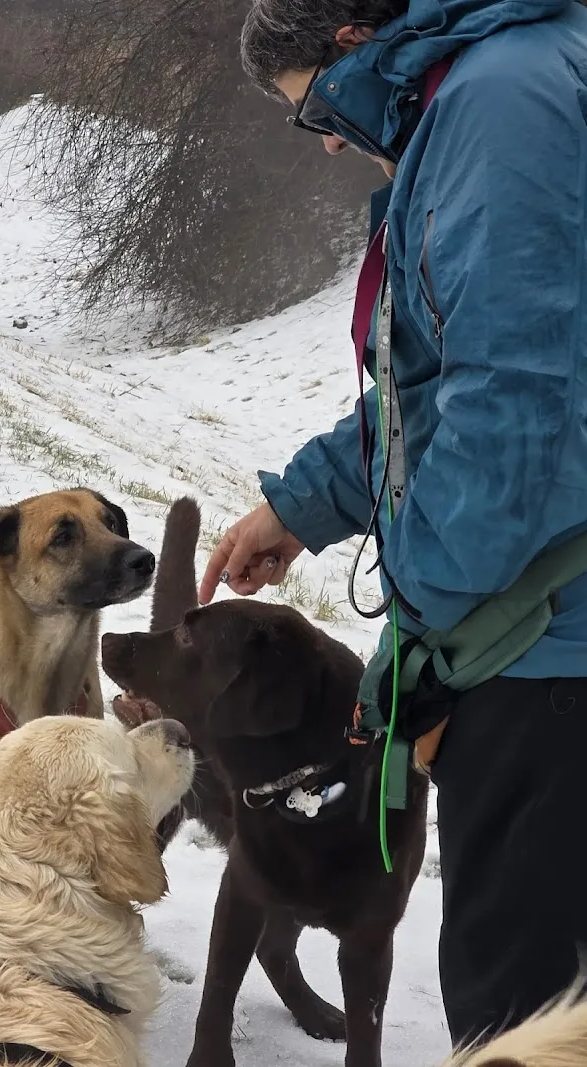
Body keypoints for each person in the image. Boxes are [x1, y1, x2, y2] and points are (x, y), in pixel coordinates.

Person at [199, 0, 587, 1050]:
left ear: (352, 44)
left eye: (315, 109)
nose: (327, 140)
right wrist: (301, 502)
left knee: (522, 1014)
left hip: (547, 645)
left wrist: (425, 635)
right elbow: (433, 391)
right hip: (543, 622)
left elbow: (509, 407)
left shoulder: (501, 108)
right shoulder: (502, 84)